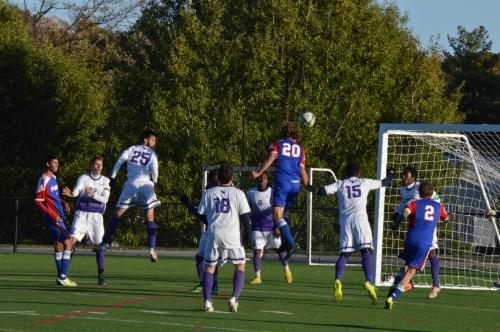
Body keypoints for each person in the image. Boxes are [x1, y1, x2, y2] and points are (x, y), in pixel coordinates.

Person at [318, 162, 394, 304]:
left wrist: (311, 187)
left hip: (346, 222)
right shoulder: (364, 182)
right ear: (359, 172)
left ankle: (338, 280)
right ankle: (369, 282)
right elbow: (386, 182)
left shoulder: (340, 184)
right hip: (361, 220)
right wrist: (392, 173)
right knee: (366, 251)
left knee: (345, 254)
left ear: (346, 173)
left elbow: (321, 191)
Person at [251, 122, 311, 267]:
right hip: (295, 185)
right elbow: (302, 170)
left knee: (277, 215)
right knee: (282, 215)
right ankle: (285, 243)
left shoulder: (278, 144)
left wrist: (259, 172)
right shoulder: (301, 149)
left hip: (282, 182)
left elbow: (272, 158)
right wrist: (308, 185)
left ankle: (291, 243)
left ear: (283, 133)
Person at [97, 129, 160, 262]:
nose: (154, 143)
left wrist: (113, 176)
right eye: (153, 140)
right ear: (145, 140)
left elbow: (120, 161)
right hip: (145, 184)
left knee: (118, 213)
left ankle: (104, 243)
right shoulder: (152, 154)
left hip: (130, 184)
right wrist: (154, 180)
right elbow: (155, 171)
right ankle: (152, 249)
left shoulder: (131, 149)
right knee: (149, 215)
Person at [386, 181, 448, 310]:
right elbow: (446, 218)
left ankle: (396, 283)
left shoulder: (414, 203)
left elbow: (406, 212)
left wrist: (399, 221)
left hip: (410, 239)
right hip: (424, 242)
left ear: (419, 192)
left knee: (407, 265)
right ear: (432, 193)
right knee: (412, 270)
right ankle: (393, 296)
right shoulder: (439, 206)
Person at [198, 164, 252, 313]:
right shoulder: (239, 193)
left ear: (217, 177)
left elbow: (200, 214)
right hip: (232, 235)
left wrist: (211, 219)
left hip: (214, 234)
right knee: (240, 265)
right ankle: (234, 298)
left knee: (209, 268)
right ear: (232, 177)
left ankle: (208, 302)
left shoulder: (208, 193)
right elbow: (245, 218)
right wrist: (249, 237)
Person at [391, 166, 442, 299]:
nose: (403, 177)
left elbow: (435, 199)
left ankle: (435, 285)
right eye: (402, 175)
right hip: (416, 222)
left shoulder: (421, 188)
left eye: (406, 175)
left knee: (432, 250)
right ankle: (408, 282)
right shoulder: (403, 189)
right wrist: (397, 214)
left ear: (413, 178)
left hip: (427, 221)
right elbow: (405, 202)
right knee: (414, 252)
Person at [62, 155, 110, 285]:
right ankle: (63, 275)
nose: (99, 166)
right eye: (96, 164)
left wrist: (93, 194)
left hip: (97, 217)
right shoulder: (83, 178)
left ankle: (101, 276)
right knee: (71, 243)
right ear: (91, 165)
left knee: (99, 247)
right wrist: (72, 194)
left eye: (101, 164)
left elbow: (105, 199)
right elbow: (77, 190)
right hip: (81, 214)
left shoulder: (105, 180)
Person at [34, 156, 76, 286]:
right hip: (54, 218)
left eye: (58, 162)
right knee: (69, 244)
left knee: (59, 245)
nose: (57, 165)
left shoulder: (53, 178)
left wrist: (64, 202)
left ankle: (60, 277)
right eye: (54, 162)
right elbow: (38, 201)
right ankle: (63, 277)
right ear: (47, 164)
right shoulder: (44, 179)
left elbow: (54, 196)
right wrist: (53, 215)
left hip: (58, 216)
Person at [179, 168, 220, 295]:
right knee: (201, 258)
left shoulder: (212, 192)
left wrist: (188, 205)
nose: (208, 183)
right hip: (211, 230)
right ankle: (206, 284)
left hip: (216, 230)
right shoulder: (212, 191)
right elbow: (202, 213)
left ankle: (213, 285)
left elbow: (201, 215)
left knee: (213, 260)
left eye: (211, 179)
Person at [247, 172, 292, 284]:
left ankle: (287, 270)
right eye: (260, 178)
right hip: (257, 228)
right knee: (257, 251)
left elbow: (278, 211)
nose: (262, 180)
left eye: (265, 179)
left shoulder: (272, 192)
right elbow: (247, 209)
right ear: (257, 180)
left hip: (272, 227)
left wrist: (277, 227)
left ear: (267, 181)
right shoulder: (251, 193)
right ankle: (258, 277)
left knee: (280, 250)